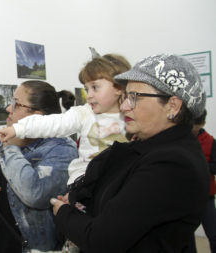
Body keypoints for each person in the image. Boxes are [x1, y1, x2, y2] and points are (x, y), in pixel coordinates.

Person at [50, 54, 209, 252]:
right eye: (125, 96)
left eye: (134, 97)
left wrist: (64, 212)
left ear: (172, 106)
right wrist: (77, 200)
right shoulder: (143, 148)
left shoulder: (172, 164)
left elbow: (102, 239)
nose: (124, 106)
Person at [0, 47, 131, 187]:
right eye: (86, 89)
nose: (89, 95)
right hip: (85, 181)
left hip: (118, 181)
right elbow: (52, 123)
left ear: (119, 87)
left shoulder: (133, 118)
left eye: (95, 87)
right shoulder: (84, 113)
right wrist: (18, 129)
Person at [0, 80, 78, 253]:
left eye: (16, 104)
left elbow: (35, 194)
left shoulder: (61, 149)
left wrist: (11, 147)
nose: (8, 108)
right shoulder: (3, 144)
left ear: (37, 115)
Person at [189, 109, 216, 253]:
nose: (193, 128)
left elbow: (215, 166)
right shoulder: (182, 140)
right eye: (191, 124)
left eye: (196, 125)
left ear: (203, 123)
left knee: (213, 234)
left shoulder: (211, 141)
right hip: (187, 196)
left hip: (207, 196)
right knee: (186, 237)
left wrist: (200, 167)